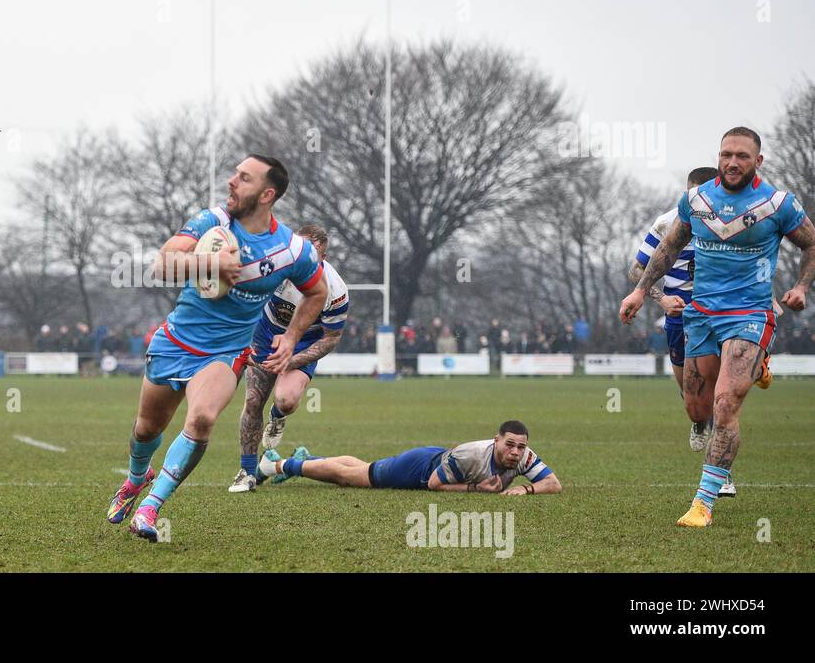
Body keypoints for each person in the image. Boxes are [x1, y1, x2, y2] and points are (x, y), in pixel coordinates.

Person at [105, 154, 327, 542]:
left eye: (244, 178)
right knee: (146, 430)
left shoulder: (291, 250)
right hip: (174, 343)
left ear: (266, 193)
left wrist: (291, 337)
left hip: (226, 354)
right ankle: (136, 479)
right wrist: (208, 264)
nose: (231, 182)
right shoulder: (213, 222)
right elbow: (161, 265)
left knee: (203, 419)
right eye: (234, 174)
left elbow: (317, 292)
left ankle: (149, 509)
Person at [621, 127, 814, 528]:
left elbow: (811, 242)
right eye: (726, 154)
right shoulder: (696, 199)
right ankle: (755, 365)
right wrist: (642, 293)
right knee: (697, 406)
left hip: (749, 314)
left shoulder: (777, 204)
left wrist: (800, 285)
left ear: (757, 161)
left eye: (742, 156)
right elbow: (670, 246)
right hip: (700, 314)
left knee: (725, 403)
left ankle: (702, 503)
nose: (732, 162)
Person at [230, 223, 349, 492]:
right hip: (267, 333)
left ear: (323, 258)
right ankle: (247, 472)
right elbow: (247, 301)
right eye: (301, 250)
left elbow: (331, 337)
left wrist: (291, 361)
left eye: (312, 253)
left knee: (286, 400)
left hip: (304, 342)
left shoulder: (336, 290)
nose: (305, 258)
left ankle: (278, 416)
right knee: (252, 400)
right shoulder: (274, 268)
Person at [629, 166, 721, 456]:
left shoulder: (732, 221)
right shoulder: (667, 222)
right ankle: (698, 419)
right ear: (687, 193)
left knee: (721, 388)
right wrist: (662, 300)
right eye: (694, 196)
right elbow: (637, 269)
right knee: (689, 390)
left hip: (718, 310)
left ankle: (721, 459)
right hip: (678, 312)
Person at [258, 420, 560, 495]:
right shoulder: (472, 455)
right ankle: (277, 464)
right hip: (417, 469)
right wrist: (474, 489)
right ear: (497, 440)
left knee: (364, 468)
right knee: (349, 478)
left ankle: (308, 458)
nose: (515, 453)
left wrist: (525, 489)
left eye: (521, 447)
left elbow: (553, 483)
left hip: (432, 458)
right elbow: (432, 485)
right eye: (510, 445)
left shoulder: (523, 457)